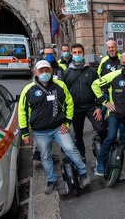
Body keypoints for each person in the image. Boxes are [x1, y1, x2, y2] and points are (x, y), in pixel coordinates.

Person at [18, 60, 91, 194]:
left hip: (59, 128)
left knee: (71, 149)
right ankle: (52, 180)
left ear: (51, 71)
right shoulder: (28, 90)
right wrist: (24, 133)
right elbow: (22, 111)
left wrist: (67, 122)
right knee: (45, 156)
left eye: (47, 70)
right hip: (40, 132)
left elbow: (70, 103)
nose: (44, 73)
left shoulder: (60, 85)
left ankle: (84, 174)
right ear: (36, 72)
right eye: (41, 71)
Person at [92, 52, 125, 176]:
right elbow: (95, 85)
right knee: (110, 137)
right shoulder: (113, 75)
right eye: (123, 63)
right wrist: (105, 102)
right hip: (115, 114)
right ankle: (101, 162)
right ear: (121, 63)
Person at [63, 43, 108, 164]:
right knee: (78, 134)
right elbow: (64, 93)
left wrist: (99, 107)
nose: (77, 55)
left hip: (91, 106)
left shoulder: (92, 71)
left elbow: (99, 90)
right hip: (75, 108)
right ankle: (81, 155)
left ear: (83, 54)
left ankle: (105, 151)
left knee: (101, 128)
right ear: (72, 54)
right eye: (75, 53)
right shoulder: (66, 73)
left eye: (79, 52)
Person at [33, 46, 67, 161]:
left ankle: (64, 148)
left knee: (62, 128)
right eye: (47, 54)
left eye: (52, 53)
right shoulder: (39, 69)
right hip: (45, 104)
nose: (49, 56)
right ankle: (42, 152)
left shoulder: (60, 68)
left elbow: (66, 83)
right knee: (47, 129)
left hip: (60, 102)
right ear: (43, 55)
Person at [97, 40, 125, 144]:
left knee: (121, 118)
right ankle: (100, 135)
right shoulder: (104, 60)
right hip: (106, 94)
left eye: (113, 47)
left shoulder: (122, 58)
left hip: (119, 95)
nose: (111, 49)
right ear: (106, 49)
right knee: (101, 114)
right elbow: (98, 74)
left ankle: (123, 141)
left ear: (116, 47)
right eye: (109, 47)